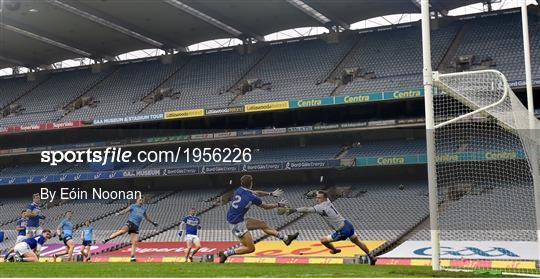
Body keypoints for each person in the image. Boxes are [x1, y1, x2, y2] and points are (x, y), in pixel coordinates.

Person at [277, 190, 376, 265]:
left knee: (323, 241)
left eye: (319, 198)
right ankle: (371, 257)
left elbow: (306, 209)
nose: (317, 199)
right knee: (357, 242)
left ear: (324, 198)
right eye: (317, 197)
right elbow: (320, 193)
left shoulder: (321, 207)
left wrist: (292, 210)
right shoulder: (328, 201)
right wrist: (315, 192)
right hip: (348, 224)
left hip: (342, 230)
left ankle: (335, 250)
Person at [218, 175, 299, 263]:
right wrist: (278, 204)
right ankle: (225, 254)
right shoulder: (251, 197)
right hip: (236, 224)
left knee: (262, 224)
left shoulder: (239, 190)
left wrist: (270, 194)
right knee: (250, 248)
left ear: (242, 183)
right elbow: (266, 207)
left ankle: (285, 238)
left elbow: (257, 192)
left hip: (236, 219)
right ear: (251, 183)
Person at [102, 197, 158, 262]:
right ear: (137, 200)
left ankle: (132, 257)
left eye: (142, 200)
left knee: (135, 242)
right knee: (122, 232)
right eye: (140, 200)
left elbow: (147, 217)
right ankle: (107, 239)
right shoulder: (133, 206)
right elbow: (125, 210)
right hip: (131, 223)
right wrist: (119, 213)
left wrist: (153, 223)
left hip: (136, 226)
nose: (141, 201)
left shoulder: (143, 209)